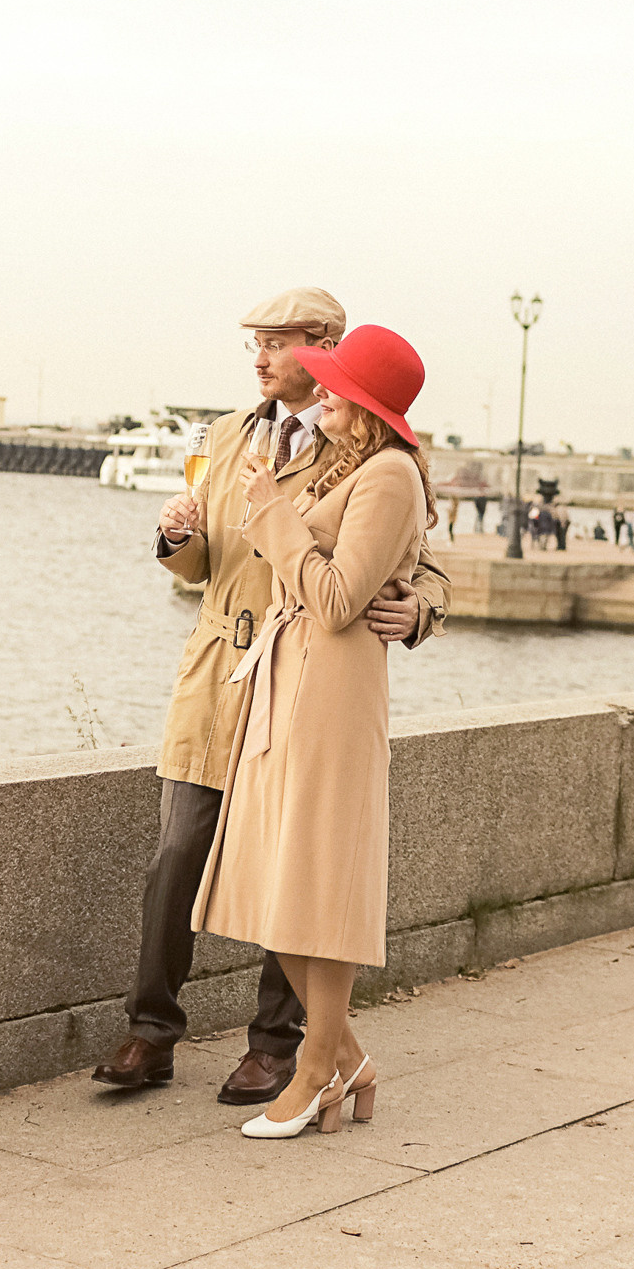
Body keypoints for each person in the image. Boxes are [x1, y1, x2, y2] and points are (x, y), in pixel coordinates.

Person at [94, 288, 450, 1106]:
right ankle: (151, 1033)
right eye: (251, 343)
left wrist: (420, 607)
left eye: (275, 342)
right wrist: (177, 542)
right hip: (219, 669)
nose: (258, 357)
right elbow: (210, 563)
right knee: (177, 853)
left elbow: (412, 555)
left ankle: (277, 1046)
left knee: (292, 863)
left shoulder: (356, 447)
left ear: (322, 346)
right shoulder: (225, 436)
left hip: (303, 676)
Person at [194, 323, 432, 1138]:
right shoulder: (350, 465)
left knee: (315, 887)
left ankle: (314, 1075)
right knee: (275, 884)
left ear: (365, 403)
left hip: (329, 691)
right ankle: (350, 1061)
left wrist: (274, 517)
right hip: (285, 680)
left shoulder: (391, 475)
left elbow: (335, 601)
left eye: (335, 384)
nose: (319, 389)